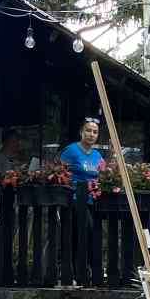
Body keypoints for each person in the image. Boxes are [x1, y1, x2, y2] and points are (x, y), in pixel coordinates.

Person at [59, 117, 106, 286]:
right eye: (88, 130)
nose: (91, 134)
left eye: (95, 132)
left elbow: (104, 175)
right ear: (81, 132)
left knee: (87, 234)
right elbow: (60, 172)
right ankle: (78, 270)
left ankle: (85, 270)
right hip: (74, 200)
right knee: (83, 231)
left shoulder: (97, 155)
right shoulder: (71, 150)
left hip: (92, 201)